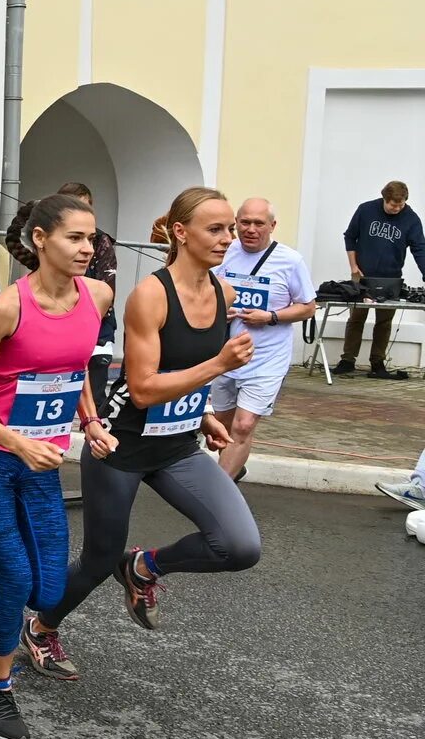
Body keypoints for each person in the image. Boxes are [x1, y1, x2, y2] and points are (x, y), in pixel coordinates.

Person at [30, 187, 261, 670]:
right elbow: (143, 389)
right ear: (181, 233)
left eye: (231, 230)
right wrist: (219, 364)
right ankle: (40, 628)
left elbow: (185, 367)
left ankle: (142, 566)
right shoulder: (150, 296)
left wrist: (202, 414)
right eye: (215, 229)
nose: (228, 239)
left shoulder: (225, 293)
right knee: (97, 558)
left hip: (178, 445)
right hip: (121, 445)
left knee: (239, 546)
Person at [0, 193, 116, 739]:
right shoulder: (9, 307)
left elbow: (73, 364)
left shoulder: (97, 296)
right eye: (75, 238)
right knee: (14, 580)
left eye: (91, 238)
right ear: (40, 240)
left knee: (49, 589)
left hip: (43, 460)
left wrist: (91, 421)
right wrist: (17, 442)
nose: (88, 248)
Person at [210, 198, 316, 480]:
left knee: (243, 426)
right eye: (244, 222)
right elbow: (205, 290)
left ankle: (220, 492)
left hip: (266, 358)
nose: (251, 229)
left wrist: (270, 317)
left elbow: (308, 306)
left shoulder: (290, 260)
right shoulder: (224, 251)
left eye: (259, 223)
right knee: (222, 424)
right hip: (225, 354)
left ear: (272, 226)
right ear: (236, 223)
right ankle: (234, 465)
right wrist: (220, 309)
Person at [339, 180, 425, 378]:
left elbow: (419, 248)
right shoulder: (366, 210)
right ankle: (347, 360)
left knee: (384, 322)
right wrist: (353, 266)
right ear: (384, 199)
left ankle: (377, 362)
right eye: (392, 204)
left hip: (391, 279)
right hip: (363, 276)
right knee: (356, 318)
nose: (396, 208)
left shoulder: (411, 219)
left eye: (400, 205)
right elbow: (350, 237)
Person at [56, 182, 118, 409]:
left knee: (96, 404)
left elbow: (106, 290)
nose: (86, 248)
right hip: (58, 330)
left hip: (97, 330)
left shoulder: (101, 242)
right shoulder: (52, 242)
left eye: (86, 208)